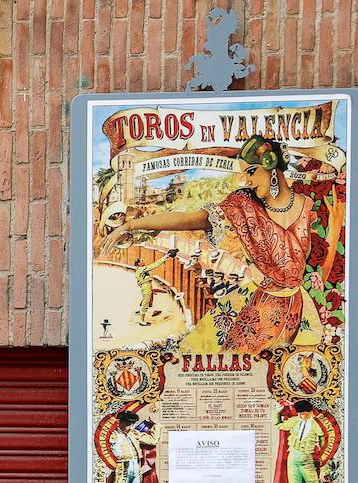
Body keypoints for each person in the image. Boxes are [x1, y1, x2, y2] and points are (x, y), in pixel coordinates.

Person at [102, 135, 345, 353]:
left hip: (300, 310)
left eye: (250, 171)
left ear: (270, 166)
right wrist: (131, 225)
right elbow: (195, 218)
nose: (246, 180)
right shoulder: (243, 203)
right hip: (258, 306)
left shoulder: (311, 205)